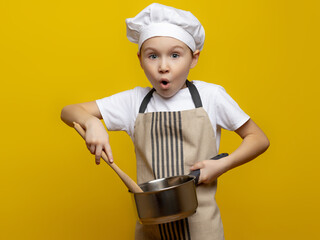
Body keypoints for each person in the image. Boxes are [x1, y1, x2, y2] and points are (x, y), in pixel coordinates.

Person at [61, 3, 269, 240]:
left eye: (175, 55)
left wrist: (223, 164)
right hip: (152, 227)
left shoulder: (211, 97)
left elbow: (258, 139)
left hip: (202, 228)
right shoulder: (134, 101)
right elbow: (69, 111)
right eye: (152, 56)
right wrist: (92, 122)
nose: (163, 67)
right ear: (140, 59)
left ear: (193, 58)